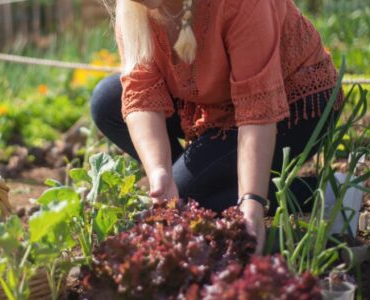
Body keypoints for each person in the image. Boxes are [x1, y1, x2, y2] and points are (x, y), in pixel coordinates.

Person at [91, 0, 344, 254]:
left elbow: (258, 110)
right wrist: (160, 172)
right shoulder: (133, 8)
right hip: (216, 104)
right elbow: (142, 90)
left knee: (191, 198)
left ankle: (325, 192)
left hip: (293, 104)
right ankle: (201, 185)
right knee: (107, 101)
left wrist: (252, 201)